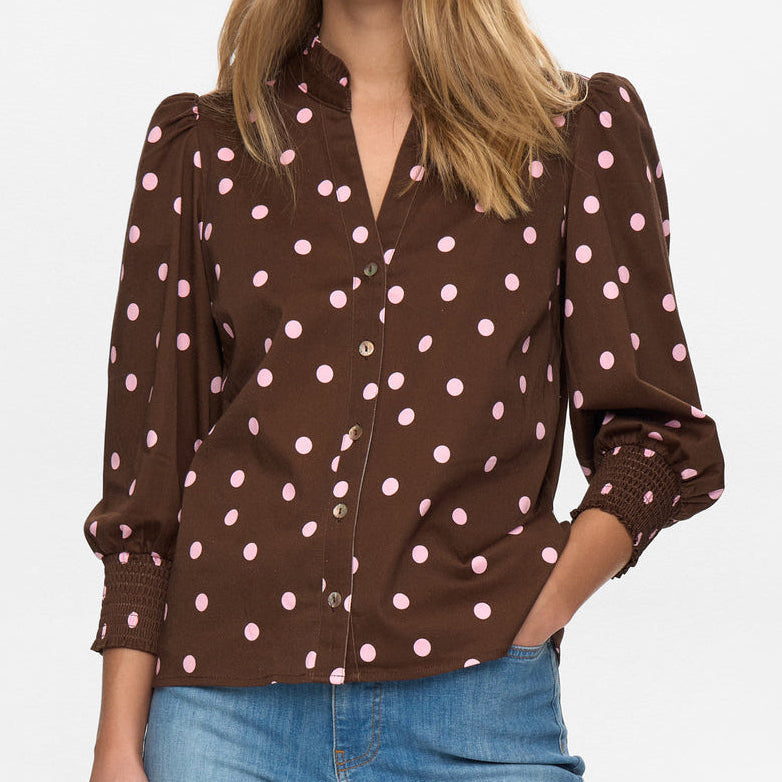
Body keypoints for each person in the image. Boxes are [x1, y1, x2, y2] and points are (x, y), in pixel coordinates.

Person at [85, 1, 726, 780]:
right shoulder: (208, 146)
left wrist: (544, 607)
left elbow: (656, 435)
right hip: (226, 720)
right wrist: (116, 745)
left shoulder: (567, 135)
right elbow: (148, 481)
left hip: (478, 706)